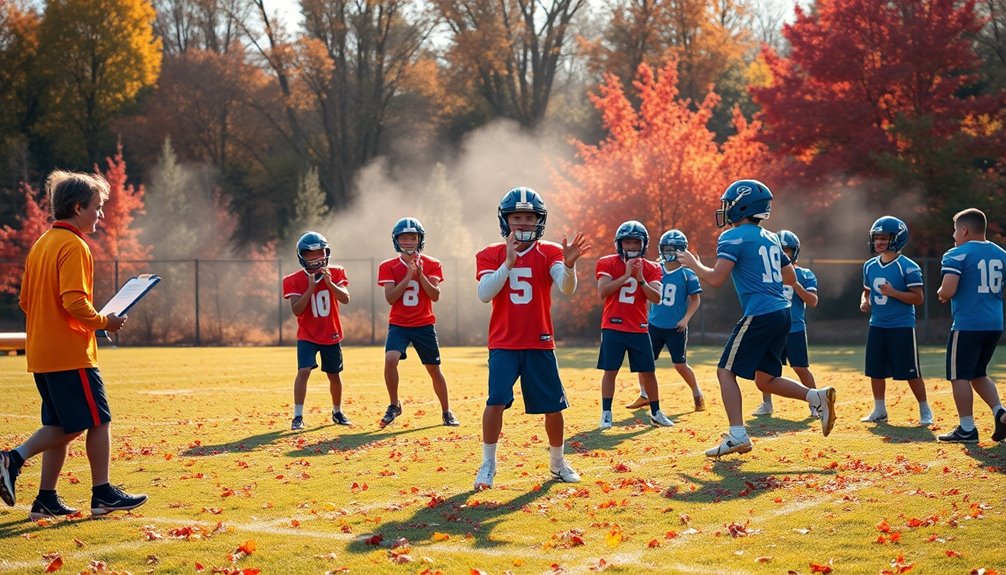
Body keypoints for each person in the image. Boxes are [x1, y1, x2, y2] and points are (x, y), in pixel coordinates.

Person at [1, 170, 147, 519]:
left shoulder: (42, 243)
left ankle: (46, 499)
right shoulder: (73, 244)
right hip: (70, 353)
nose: (101, 215)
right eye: (97, 207)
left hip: (42, 352)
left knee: (63, 426)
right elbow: (74, 302)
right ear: (78, 207)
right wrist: (104, 322)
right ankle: (99, 493)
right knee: (97, 420)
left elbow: (25, 301)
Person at [678, 179, 837, 457]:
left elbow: (716, 279)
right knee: (765, 379)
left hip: (761, 312)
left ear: (743, 206)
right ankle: (816, 396)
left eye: (729, 204)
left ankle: (737, 435)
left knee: (725, 371)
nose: (726, 210)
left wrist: (694, 264)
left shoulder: (732, 236)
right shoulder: (772, 237)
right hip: (782, 313)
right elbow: (790, 276)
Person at [473, 186, 590, 490]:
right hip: (504, 342)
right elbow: (485, 294)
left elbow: (566, 288)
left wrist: (570, 265)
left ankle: (557, 462)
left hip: (539, 340)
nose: (523, 223)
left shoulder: (549, 250)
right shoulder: (490, 253)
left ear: (539, 220)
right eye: (517, 217)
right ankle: (488, 464)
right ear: (505, 220)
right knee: (495, 401)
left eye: (529, 217)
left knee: (554, 406)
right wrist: (508, 262)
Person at [377, 217, 459, 428]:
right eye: (404, 238)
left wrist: (420, 275)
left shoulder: (432, 264)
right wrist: (407, 276)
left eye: (413, 237)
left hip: (423, 324)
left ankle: (446, 411)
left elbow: (435, 295)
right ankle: (394, 404)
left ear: (420, 239)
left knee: (434, 369)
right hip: (399, 324)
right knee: (390, 359)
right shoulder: (388, 266)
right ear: (396, 240)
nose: (409, 242)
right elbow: (390, 298)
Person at [595, 221, 675, 429]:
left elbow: (656, 298)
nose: (630, 246)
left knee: (648, 371)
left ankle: (656, 412)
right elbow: (603, 292)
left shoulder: (652, 267)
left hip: (638, 327)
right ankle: (606, 413)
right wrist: (625, 275)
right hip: (613, 326)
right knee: (610, 370)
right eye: (627, 242)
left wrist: (640, 279)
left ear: (643, 244)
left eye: (635, 242)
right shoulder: (607, 262)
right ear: (619, 244)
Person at [935, 208, 1006, 443]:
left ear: (964, 229)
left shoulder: (956, 254)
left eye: (955, 229)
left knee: (959, 376)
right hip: (994, 323)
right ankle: (1000, 412)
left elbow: (948, 289)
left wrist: (942, 294)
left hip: (968, 323)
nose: (954, 235)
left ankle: (967, 428)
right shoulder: (1001, 254)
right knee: (978, 373)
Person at [859, 216, 933, 426]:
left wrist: (893, 292)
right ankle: (880, 409)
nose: (879, 242)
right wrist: (865, 302)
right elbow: (866, 292)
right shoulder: (869, 266)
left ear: (897, 239)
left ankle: (925, 409)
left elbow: (918, 298)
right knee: (875, 370)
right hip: (877, 324)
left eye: (883, 238)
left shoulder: (907, 267)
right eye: (877, 238)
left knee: (911, 370)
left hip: (901, 325)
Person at [629, 229, 705, 413]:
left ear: (681, 250)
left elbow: (695, 300)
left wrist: (685, 319)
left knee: (680, 364)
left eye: (674, 248)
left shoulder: (688, 273)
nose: (669, 252)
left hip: (675, 327)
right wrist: (645, 315)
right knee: (644, 361)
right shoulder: (656, 268)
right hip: (654, 324)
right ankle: (644, 395)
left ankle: (697, 393)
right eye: (666, 248)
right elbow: (646, 293)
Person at [282, 231, 352, 430]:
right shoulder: (293, 279)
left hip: (331, 332)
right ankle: (297, 416)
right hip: (308, 334)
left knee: (334, 375)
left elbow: (345, 298)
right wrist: (310, 288)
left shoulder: (336, 272)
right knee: (303, 371)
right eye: (310, 254)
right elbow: (296, 310)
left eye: (319, 253)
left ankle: (337, 411)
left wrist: (329, 283)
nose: (315, 258)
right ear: (302, 256)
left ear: (326, 252)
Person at [752, 230, 818, 417]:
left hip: (794, 327)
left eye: (786, 250)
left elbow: (812, 301)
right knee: (764, 369)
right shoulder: (767, 274)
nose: (783, 253)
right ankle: (767, 404)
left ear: (794, 251)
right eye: (779, 249)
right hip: (771, 327)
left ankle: (815, 402)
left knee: (800, 367)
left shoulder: (804, 274)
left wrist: (795, 284)